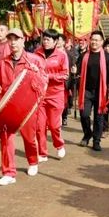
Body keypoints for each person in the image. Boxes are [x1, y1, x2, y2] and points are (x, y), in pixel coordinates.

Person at [0, 28, 47, 186]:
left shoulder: (33, 60)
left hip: (27, 107)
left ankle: (32, 161)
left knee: (29, 137)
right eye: (10, 39)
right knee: (6, 138)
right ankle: (9, 173)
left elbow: (44, 81)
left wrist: (38, 73)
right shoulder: (3, 62)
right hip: (8, 107)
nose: (13, 42)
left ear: (23, 40)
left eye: (16, 39)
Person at [76, 30, 109, 151]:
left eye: (97, 40)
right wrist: (74, 71)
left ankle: (96, 141)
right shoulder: (84, 56)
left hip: (101, 91)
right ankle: (87, 133)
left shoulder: (107, 57)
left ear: (101, 42)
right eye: (92, 39)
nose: (94, 42)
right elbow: (77, 70)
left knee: (99, 117)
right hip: (86, 90)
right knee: (84, 115)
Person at [34, 29, 69, 161]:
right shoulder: (37, 53)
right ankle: (42, 153)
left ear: (55, 42)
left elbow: (65, 75)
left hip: (56, 95)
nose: (45, 42)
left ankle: (59, 145)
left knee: (54, 125)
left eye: (49, 40)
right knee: (39, 126)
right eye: (44, 39)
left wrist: (48, 76)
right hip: (40, 95)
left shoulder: (61, 56)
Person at [62, 36, 78, 126]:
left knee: (64, 101)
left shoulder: (69, 55)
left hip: (66, 81)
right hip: (54, 82)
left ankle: (64, 117)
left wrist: (74, 72)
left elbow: (73, 68)